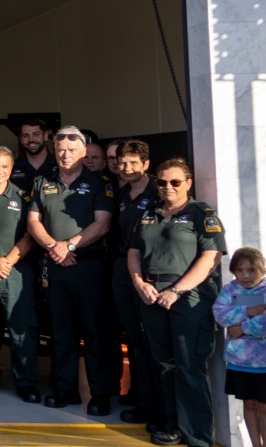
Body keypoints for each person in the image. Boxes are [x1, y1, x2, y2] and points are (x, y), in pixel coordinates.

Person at [128, 159, 226, 447]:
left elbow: (211, 258)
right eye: (162, 182)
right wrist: (139, 283)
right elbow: (133, 251)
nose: (168, 187)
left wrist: (177, 290)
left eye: (175, 182)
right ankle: (172, 424)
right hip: (151, 293)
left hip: (188, 296)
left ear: (188, 183)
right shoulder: (149, 213)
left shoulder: (201, 214)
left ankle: (197, 435)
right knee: (163, 364)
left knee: (189, 366)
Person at [26, 124, 116, 415]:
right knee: (61, 331)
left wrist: (70, 246)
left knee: (94, 332)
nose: (65, 155)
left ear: (83, 152)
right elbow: (33, 222)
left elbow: (102, 223)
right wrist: (55, 247)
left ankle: (99, 394)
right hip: (56, 265)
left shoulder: (99, 183)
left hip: (88, 266)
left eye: (71, 150)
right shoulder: (43, 181)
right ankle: (65, 390)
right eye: (60, 150)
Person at [0, 146, 38, 402]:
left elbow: (31, 234)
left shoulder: (24, 197)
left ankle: (26, 383)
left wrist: (6, 263)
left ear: (11, 169)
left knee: (21, 330)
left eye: (5, 166)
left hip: (16, 271)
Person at [214, 247, 266, 447]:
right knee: (248, 404)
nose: (245, 275)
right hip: (239, 360)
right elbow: (220, 314)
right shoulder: (229, 290)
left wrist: (242, 328)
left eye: (251, 270)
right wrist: (250, 310)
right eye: (240, 270)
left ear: (262, 270)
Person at [111, 140, 162, 427]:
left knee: (149, 340)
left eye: (133, 163)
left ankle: (151, 404)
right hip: (124, 269)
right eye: (122, 162)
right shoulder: (122, 193)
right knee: (133, 337)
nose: (127, 168)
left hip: (151, 271)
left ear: (146, 164)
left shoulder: (159, 191)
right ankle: (139, 395)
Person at [10, 118, 55, 194]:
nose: (31, 140)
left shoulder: (60, 166)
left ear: (45, 136)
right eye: (25, 136)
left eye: (36, 134)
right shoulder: (12, 167)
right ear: (21, 139)